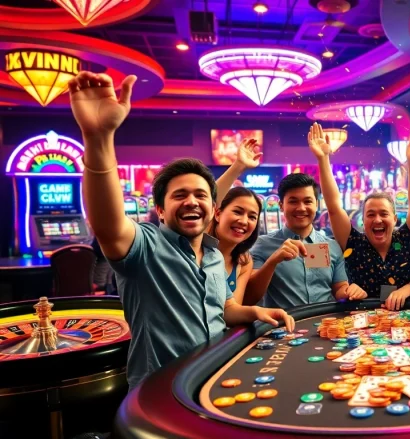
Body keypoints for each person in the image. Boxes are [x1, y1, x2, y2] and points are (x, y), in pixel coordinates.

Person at [68, 71, 294, 389]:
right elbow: (108, 225)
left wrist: (256, 312)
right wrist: (98, 139)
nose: (192, 202)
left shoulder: (213, 256)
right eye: (179, 195)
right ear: (160, 209)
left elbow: (223, 309)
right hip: (159, 393)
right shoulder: (145, 248)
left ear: (213, 208)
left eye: (201, 195)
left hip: (211, 381)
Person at [309, 122, 410, 310]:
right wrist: (323, 159)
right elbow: (334, 207)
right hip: (360, 322)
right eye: (371, 214)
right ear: (362, 220)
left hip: (408, 321)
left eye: (384, 214)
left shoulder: (406, 239)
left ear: (395, 219)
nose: (377, 219)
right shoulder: (354, 243)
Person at [245, 173, 367, 308]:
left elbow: (339, 288)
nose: (301, 208)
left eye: (308, 201)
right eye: (293, 201)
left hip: (325, 319)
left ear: (316, 204)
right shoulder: (262, 245)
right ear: (281, 205)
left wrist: (350, 291)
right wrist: (273, 261)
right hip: (285, 321)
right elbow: (250, 297)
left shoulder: (331, 246)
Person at [210, 138, 263, 304]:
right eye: (237, 212)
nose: (244, 221)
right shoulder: (198, 245)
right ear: (217, 213)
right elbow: (208, 202)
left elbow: (233, 310)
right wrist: (238, 166)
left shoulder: (243, 260)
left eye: (252, 216)